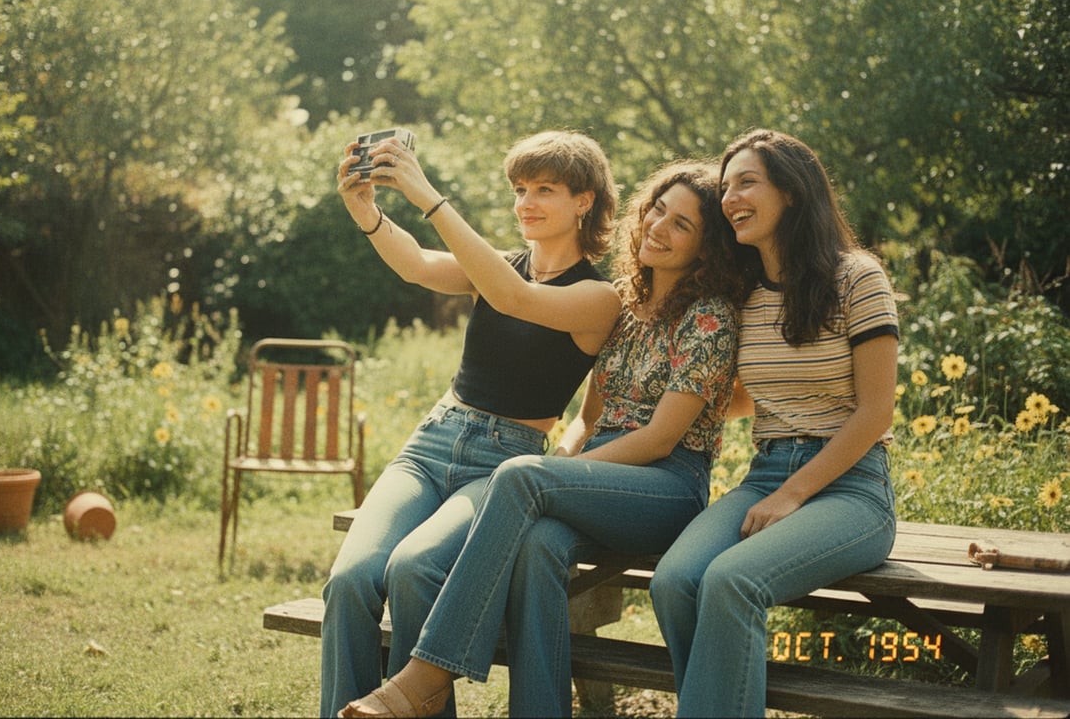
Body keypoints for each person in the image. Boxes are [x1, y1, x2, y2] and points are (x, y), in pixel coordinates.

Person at [339, 160, 751, 718]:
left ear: (707, 248)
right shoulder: (627, 306)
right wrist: (564, 456)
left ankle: (426, 675)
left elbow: (659, 439)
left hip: (667, 485)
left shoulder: (709, 318)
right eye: (658, 210)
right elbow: (588, 417)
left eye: (682, 224)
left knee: (519, 476)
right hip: (595, 479)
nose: (659, 227)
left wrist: (555, 472)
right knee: (536, 551)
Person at [321, 130, 623, 717]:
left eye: (545, 190)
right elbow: (416, 264)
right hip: (432, 443)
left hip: (502, 464)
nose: (526, 203)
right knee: (351, 579)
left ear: (584, 201)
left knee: (414, 570)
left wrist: (425, 193)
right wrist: (366, 211)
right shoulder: (500, 266)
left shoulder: (598, 296)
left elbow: (515, 298)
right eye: (520, 189)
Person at [650, 129, 900, 717]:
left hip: (853, 488)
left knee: (732, 580)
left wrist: (794, 493)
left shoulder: (857, 277)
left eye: (747, 183)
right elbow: (743, 396)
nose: (730, 198)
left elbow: (876, 411)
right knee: (675, 580)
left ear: (791, 191)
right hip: (765, 475)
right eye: (725, 187)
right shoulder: (743, 294)